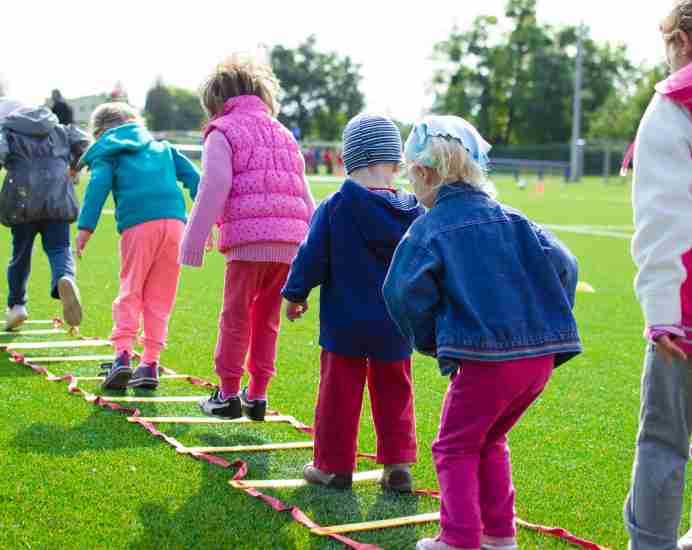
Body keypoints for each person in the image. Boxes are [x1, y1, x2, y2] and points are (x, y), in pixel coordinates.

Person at [382, 116, 581, 550]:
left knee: (453, 447)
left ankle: (458, 540)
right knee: (490, 439)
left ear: (424, 173)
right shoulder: (515, 218)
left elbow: (400, 292)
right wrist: (547, 321)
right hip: (538, 363)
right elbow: (566, 265)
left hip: (486, 362)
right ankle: (499, 536)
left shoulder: (429, 227)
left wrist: (432, 340)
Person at [282, 113, 423, 492]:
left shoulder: (335, 206)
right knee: (395, 393)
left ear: (346, 159)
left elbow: (311, 256)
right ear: (396, 162)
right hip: (396, 322)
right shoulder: (415, 211)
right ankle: (397, 465)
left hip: (344, 321)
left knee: (338, 395)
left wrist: (296, 294)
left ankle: (333, 466)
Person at [180, 55, 315, 421]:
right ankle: (257, 395)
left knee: (235, 316)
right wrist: (315, 249)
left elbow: (215, 184)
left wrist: (194, 236)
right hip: (290, 243)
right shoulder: (283, 133)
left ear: (215, 101)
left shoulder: (222, 131)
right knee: (266, 319)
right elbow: (304, 193)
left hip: (248, 242)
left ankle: (226, 394)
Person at [623, 2, 692, 549]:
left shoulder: (673, 106)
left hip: (686, 313)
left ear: (682, 42)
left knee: (664, 444)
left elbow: (661, 218)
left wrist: (661, 313)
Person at [76, 102, 200, 391]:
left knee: (131, 289)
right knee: (160, 296)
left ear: (100, 133)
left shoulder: (109, 152)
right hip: (176, 226)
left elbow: (97, 187)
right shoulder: (164, 148)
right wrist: (208, 220)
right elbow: (197, 180)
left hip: (139, 226)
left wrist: (85, 228)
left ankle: (122, 356)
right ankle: (150, 364)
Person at [0, 98, 89, 331]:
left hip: (23, 202)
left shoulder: (7, 131)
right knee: (60, 248)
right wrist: (75, 166)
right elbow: (82, 141)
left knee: (20, 254)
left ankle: (17, 306)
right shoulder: (57, 128)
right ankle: (65, 277)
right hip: (58, 198)